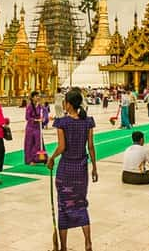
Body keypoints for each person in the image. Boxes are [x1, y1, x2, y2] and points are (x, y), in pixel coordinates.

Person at [47, 89, 97, 251]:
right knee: (80, 204)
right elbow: (90, 146)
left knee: (64, 206)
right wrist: (94, 167)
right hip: (81, 169)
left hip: (66, 169)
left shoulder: (62, 123)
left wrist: (52, 157)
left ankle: (63, 247)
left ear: (68, 104)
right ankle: (88, 242)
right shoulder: (88, 121)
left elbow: (62, 147)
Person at [24, 91, 46, 165]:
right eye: (36, 96)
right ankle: (30, 160)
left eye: (39, 96)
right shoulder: (29, 106)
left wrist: (43, 119)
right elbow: (27, 117)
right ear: (32, 97)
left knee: (38, 142)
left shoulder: (40, 106)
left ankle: (40, 159)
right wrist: (36, 120)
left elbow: (44, 115)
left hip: (38, 127)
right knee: (29, 143)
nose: (38, 97)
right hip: (30, 127)